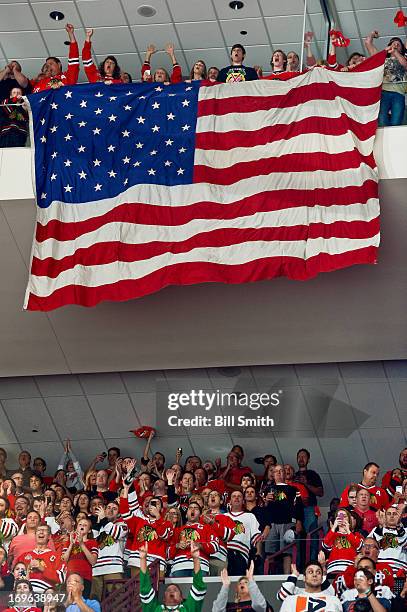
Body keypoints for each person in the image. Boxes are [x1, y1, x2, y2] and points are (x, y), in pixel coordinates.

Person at [140, 540, 207, 612]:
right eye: (168, 590)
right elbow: (145, 590)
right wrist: (143, 559)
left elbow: (198, 587)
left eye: (175, 590)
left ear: (181, 598)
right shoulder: (156, 609)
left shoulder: (188, 609)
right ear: (164, 599)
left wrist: (196, 559)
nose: (171, 591)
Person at [263, 464, 303, 574]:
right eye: (276, 471)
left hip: (287, 522)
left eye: (281, 470)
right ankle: (268, 577)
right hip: (271, 523)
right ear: (273, 474)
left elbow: (299, 506)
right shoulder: (267, 489)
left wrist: (298, 522)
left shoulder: (293, 489)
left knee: (287, 552)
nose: (279, 473)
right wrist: (266, 500)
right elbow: (262, 507)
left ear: (285, 474)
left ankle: (287, 576)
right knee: (269, 551)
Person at [365, 31, 407, 127]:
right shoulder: (381, 58)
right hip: (384, 93)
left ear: (402, 49)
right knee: (382, 121)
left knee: (396, 123)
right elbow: (368, 43)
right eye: (393, 44)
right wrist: (372, 34)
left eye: (398, 45)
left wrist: (395, 52)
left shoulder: (404, 58)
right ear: (388, 46)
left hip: (399, 94)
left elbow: (405, 65)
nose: (395, 45)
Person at [91, 500, 128, 601]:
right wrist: (99, 521)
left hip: (113, 568)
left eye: (114, 509)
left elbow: (116, 533)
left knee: (118, 600)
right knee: (95, 601)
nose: (111, 510)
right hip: (96, 569)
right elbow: (93, 543)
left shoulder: (122, 524)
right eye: (108, 508)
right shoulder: (99, 527)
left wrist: (103, 519)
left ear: (119, 514)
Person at [30, 24, 79, 93]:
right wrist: (36, 79)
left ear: (59, 65)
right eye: (46, 65)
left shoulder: (67, 77)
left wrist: (71, 34)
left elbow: (74, 61)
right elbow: (23, 87)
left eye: (51, 64)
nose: (48, 67)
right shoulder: (38, 81)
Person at [16, 525, 65, 593]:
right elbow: (15, 576)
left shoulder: (57, 556)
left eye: (44, 530)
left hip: (46, 594)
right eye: (39, 530)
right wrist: (28, 569)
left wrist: (42, 568)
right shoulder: (23, 556)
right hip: (25, 593)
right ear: (35, 535)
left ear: (49, 536)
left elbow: (61, 578)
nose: (41, 532)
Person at [295, 449, 324, 563]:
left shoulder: (313, 474)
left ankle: (312, 562)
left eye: (304, 456)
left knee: (312, 536)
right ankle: (298, 564)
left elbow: (320, 492)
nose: (301, 459)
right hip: (296, 510)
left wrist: (305, 483)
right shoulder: (293, 475)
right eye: (299, 456)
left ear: (308, 460)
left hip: (309, 509)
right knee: (297, 538)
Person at [224, 491, 262, 576]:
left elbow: (256, 536)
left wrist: (258, 552)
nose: (236, 498)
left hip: (241, 554)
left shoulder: (250, 516)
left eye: (239, 496)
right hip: (225, 553)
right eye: (234, 496)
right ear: (230, 501)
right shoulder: (223, 516)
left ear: (243, 501)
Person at [322, 508, 363, 575]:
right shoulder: (333, 534)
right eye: (339, 516)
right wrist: (333, 527)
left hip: (349, 568)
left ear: (349, 519)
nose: (342, 518)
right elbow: (325, 545)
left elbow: (360, 547)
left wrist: (348, 531)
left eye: (344, 516)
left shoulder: (356, 535)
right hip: (333, 568)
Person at [368, 506, 407, 573]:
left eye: (394, 514)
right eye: (389, 514)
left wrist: (398, 526)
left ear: (399, 516)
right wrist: (380, 526)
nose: (392, 516)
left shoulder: (405, 531)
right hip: (379, 568)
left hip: (399, 570)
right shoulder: (376, 530)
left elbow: (403, 543)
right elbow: (374, 544)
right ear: (385, 517)